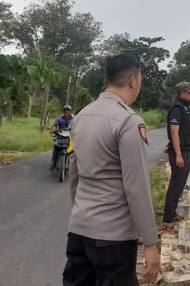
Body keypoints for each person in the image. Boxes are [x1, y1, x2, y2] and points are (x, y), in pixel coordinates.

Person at [63, 54, 160, 286]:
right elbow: (137, 187)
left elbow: (75, 175)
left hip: (79, 231)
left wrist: (82, 214)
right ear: (133, 81)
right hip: (113, 240)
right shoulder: (128, 121)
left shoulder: (81, 116)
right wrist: (150, 243)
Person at [162, 81, 190, 224]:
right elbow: (174, 132)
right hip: (181, 153)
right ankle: (168, 219)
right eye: (189, 93)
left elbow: (179, 133)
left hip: (185, 151)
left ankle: (172, 214)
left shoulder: (183, 108)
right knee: (176, 185)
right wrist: (178, 154)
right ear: (182, 94)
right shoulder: (177, 109)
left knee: (180, 184)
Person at [49, 105, 74, 171]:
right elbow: (55, 125)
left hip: (70, 137)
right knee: (55, 147)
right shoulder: (59, 119)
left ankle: (73, 165)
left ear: (70, 111)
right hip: (60, 136)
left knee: (74, 149)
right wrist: (53, 129)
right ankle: (53, 163)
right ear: (63, 111)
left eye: (68, 110)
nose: (66, 111)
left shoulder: (73, 119)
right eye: (65, 110)